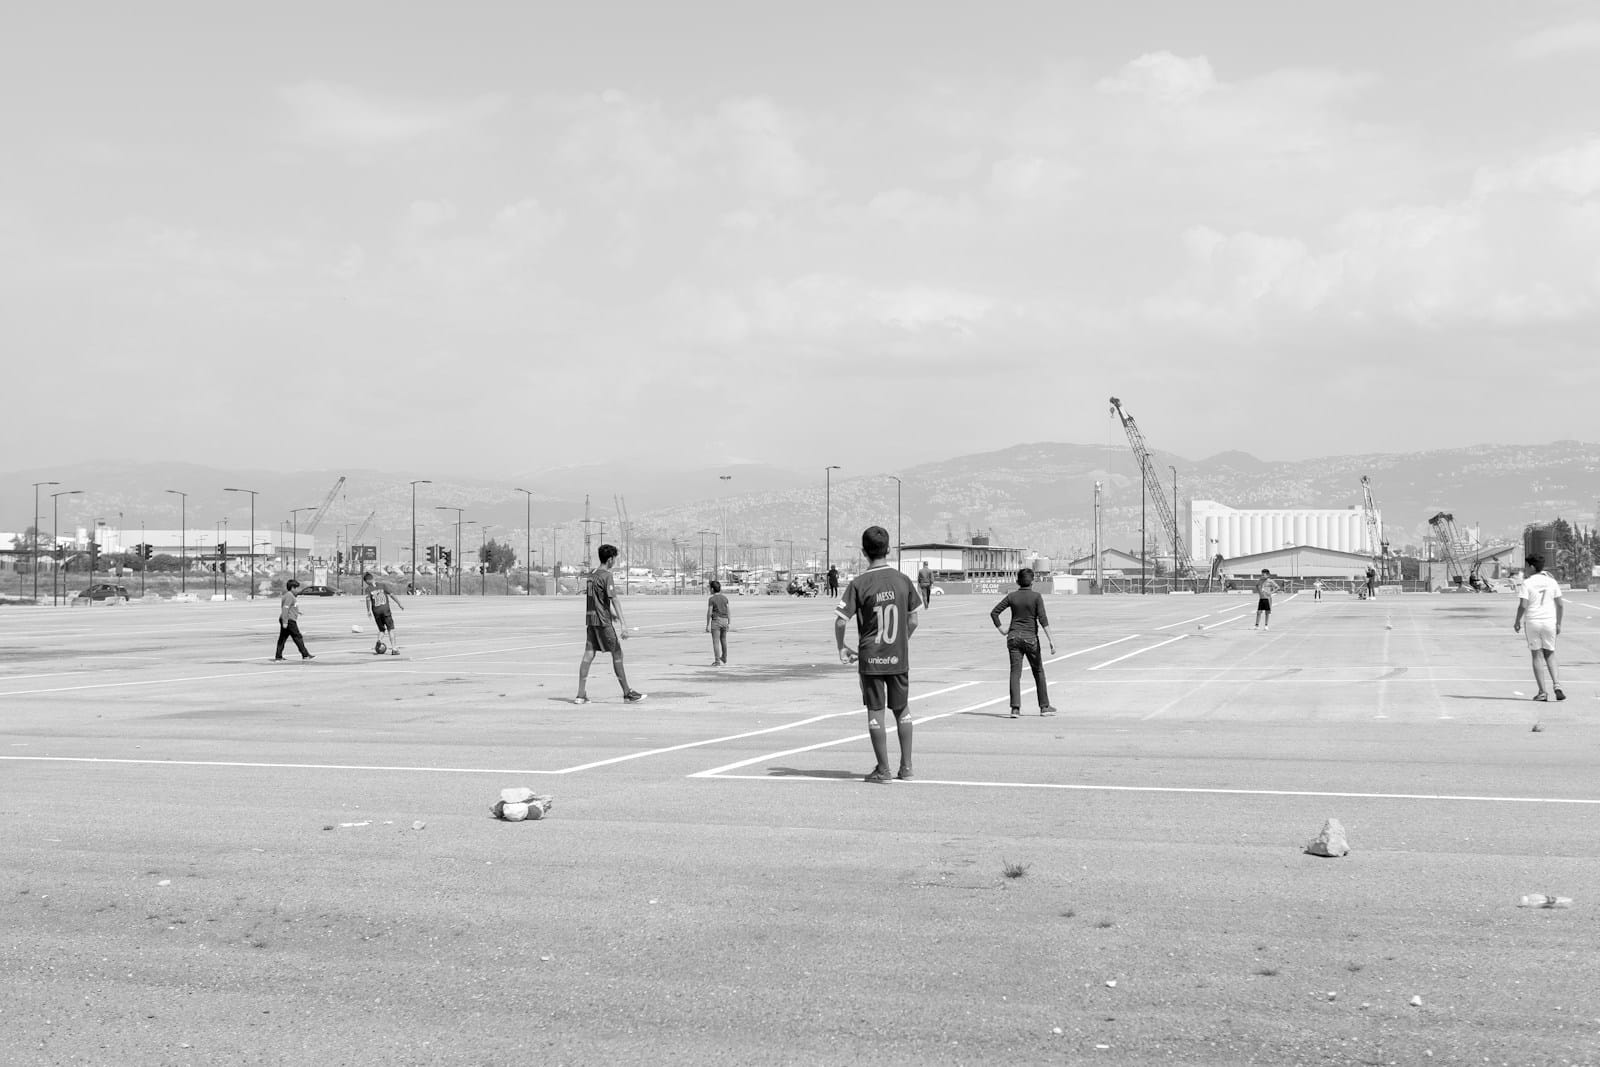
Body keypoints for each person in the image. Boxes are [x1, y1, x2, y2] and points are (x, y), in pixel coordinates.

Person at [834, 526, 920, 783]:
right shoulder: (903, 580)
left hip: (870, 658)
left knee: (875, 710)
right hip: (898, 656)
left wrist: (842, 646)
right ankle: (907, 768)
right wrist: (901, 640)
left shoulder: (859, 583)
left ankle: (883, 770)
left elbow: (840, 621)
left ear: (863, 552)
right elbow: (913, 619)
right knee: (902, 709)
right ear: (889, 549)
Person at [576, 544, 645, 704]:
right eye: (614, 559)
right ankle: (627, 692)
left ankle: (580, 694)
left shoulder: (592, 574)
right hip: (603, 622)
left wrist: (610, 613)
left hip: (591, 621)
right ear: (610, 559)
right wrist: (623, 624)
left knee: (588, 655)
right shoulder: (607, 575)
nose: (614, 562)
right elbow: (614, 599)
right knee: (617, 653)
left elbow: (597, 598)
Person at [990, 567, 1058, 718]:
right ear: (1032, 582)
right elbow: (1043, 620)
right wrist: (1051, 640)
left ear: (1017, 581)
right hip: (1030, 639)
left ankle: (1015, 709)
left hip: (1013, 637)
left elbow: (994, 612)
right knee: (1038, 671)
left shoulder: (1012, 596)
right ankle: (1044, 707)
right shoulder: (1036, 597)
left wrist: (1002, 629)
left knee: (1015, 673)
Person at [1513, 554, 1565, 702]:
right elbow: (1560, 604)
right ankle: (1557, 684)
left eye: (1526, 566)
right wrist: (1559, 623)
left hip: (1533, 622)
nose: (1524, 569)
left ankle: (1542, 692)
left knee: (1537, 655)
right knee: (1550, 654)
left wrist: (1517, 621)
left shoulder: (1527, 583)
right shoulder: (1551, 582)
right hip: (1549, 621)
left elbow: (1523, 605)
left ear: (1532, 567)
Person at [362, 571, 404, 655]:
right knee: (391, 629)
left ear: (366, 581)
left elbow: (368, 600)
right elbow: (392, 595)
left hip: (376, 611)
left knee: (381, 630)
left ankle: (379, 641)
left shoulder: (368, 589)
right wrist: (399, 603)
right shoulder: (383, 585)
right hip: (385, 610)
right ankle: (394, 649)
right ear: (373, 578)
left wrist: (368, 611)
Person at [274, 579, 313, 661]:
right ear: (292, 588)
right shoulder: (289, 596)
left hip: (288, 618)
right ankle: (305, 655)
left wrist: (297, 611)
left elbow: (290, 607)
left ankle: (278, 656)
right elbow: (285, 608)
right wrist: (285, 622)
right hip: (289, 620)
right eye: (297, 588)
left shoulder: (289, 595)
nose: (298, 590)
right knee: (297, 637)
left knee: (282, 638)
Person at [705, 578, 731, 665]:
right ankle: (724, 657)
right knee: (723, 640)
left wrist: (707, 624)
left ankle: (717, 661)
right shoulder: (725, 598)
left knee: (715, 641)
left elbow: (709, 612)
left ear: (712, 589)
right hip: (724, 620)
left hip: (716, 621)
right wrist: (729, 622)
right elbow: (728, 610)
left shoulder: (711, 599)